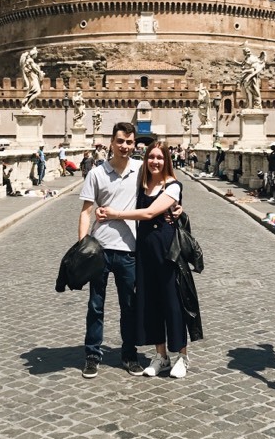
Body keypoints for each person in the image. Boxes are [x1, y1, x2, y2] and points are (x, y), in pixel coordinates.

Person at [96, 141, 200, 378]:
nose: (155, 161)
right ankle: (161, 356)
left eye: (160, 158)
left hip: (168, 253)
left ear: (167, 161)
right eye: (151, 157)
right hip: (144, 252)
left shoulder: (173, 186)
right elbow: (116, 188)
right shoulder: (141, 185)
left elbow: (150, 213)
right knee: (151, 304)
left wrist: (116, 214)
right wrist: (98, 209)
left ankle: (181, 357)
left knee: (172, 304)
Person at [77, 122, 144, 379]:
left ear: (134, 144)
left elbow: (164, 188)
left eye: (129, 142)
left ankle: (129, 354)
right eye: (120, 141)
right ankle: (92, 355)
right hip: (100, 250)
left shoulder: (141, 170)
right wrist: (82, 247)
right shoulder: (96, 173)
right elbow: (85, 211)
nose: (125, 146)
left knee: (129, 305)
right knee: (96, 305)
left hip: (130, 250)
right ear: (111, 143)